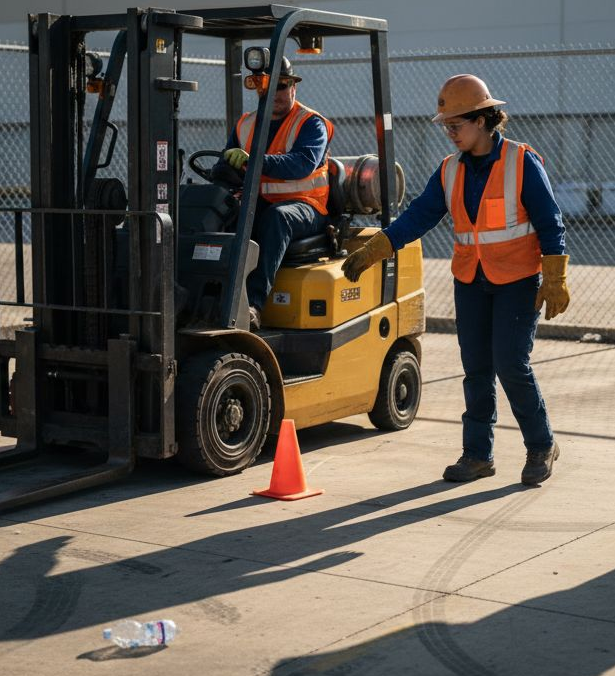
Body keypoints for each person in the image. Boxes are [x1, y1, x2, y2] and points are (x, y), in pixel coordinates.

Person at [343, 74, 570, 486]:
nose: (449, 132)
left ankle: (541, 445)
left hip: (517, 280)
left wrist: (554, 277)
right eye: (445, 125)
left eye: (455, 124)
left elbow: (550, 222)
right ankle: (478, 455)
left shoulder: (521, 162)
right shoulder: (449, 171)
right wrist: (378, 247)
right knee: (476, 368)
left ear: (482, 120)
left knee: (511, 365)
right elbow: (419, 216)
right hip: (471, 280)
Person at [222, 57, 334, 330]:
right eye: (268, 86)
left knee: (277, 217)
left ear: (293, 87)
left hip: (307, 206)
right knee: (220, 211)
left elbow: (301, 164)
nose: (275, 93)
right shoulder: (246, 124)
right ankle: (209, 295)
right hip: (259, 201)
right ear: (259, 88)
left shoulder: (311, 123)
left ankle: (253, 305)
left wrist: (253, 160)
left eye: (282, 86)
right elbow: (227, 162)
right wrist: (224, 169)